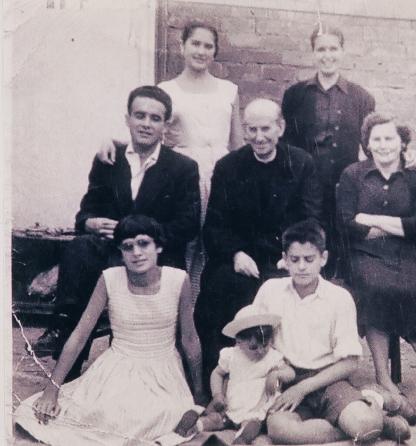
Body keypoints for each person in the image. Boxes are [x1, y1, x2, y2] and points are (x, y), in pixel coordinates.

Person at [33, 86, 200, 360]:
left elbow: (187, 225)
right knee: (80, 248)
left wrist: (139, 236)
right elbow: (84, 213)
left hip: (157, 256)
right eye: (139, 115)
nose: (146, 124)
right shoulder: (109, 160)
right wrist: (92, 223)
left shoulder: (182, 167)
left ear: (166, 126)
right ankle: (62, 331)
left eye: (155, 118)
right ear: (127, 119)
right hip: (109, 250)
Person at [14, 215, 206, 445]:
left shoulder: (178, 280)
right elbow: (79, 335)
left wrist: (199, 392)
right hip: (117, 368)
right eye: (128, 246)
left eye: (143, 243)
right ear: (120, 252)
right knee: (103, 415)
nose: (136, 252)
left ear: (159, 247)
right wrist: (51, 390)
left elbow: (190, 339)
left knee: (160, 415)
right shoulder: (110, 279)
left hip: (163, 371)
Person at [96, 21, 244, 293]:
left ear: (215, 51)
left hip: (223, 175)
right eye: (195, 44)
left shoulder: (228, 89)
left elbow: (237, 143)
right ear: (182, 46)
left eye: (208, 46)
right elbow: (147, 132)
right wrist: (112, 141)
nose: (201, 51)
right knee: (185, 243)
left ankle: (204, 307)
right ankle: (180, 302)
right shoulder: (168, 90)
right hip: (184, 174)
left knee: (216, 242)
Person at [196, 98, 322, 387]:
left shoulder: (301, 163)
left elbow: (311, 218)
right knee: (218, 290)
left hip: (285, 257)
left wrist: (290, 256)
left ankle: (283, 380)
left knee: (287, 293)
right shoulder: (228, 166)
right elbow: (214, 224)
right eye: (251, 129)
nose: (259, 137)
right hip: (241, 258)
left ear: (281, 128)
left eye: (265, 129)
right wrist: (235, 254)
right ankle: (218, 381)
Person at [253, 220, 414, 444]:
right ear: (285, 260)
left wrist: (303, 388)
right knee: (278, 429)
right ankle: (375, 423)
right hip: (286, 379)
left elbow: (349, 362)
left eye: (309, 259)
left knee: (365, 424)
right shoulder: (270, 291)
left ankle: (372, 421)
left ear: (323, 258)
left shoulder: (338, 298)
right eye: (295, 259)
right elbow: (254, 338)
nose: (302, 267)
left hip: (328, 380)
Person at [337, 112, 416, 425]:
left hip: (408, 254)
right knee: (374, 286)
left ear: (401, 143)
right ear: (367, 144)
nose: (384, 145)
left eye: (390, 138)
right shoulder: (353, 175)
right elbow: (347, 223)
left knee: (415, 289)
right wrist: (398, 226)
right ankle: (384, 377)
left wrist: (372, 220)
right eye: (377, 139)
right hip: (365, 254)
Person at [280, 23, 375, 278]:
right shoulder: (295, 95)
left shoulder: (361, 98)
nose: (327, 55)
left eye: (333, 48)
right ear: (313, 52)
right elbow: (286, 145)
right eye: (321, 49)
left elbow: (371, 146)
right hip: (303, 190)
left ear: (342, 51)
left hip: (343, 190)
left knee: (339, 255)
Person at [175, 305, 295, 444]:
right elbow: (217, 373)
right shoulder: (232, 355)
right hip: (231, 405)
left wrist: (276, 374)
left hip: (255, 408)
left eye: (265, 345)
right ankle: (195, 425)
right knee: (216, 419)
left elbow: (291, 373)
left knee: (252, 424)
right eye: (253, 347)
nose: (261, 351)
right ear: (239, 342)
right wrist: (217, 394)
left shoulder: (272, 357)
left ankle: (242, 439)